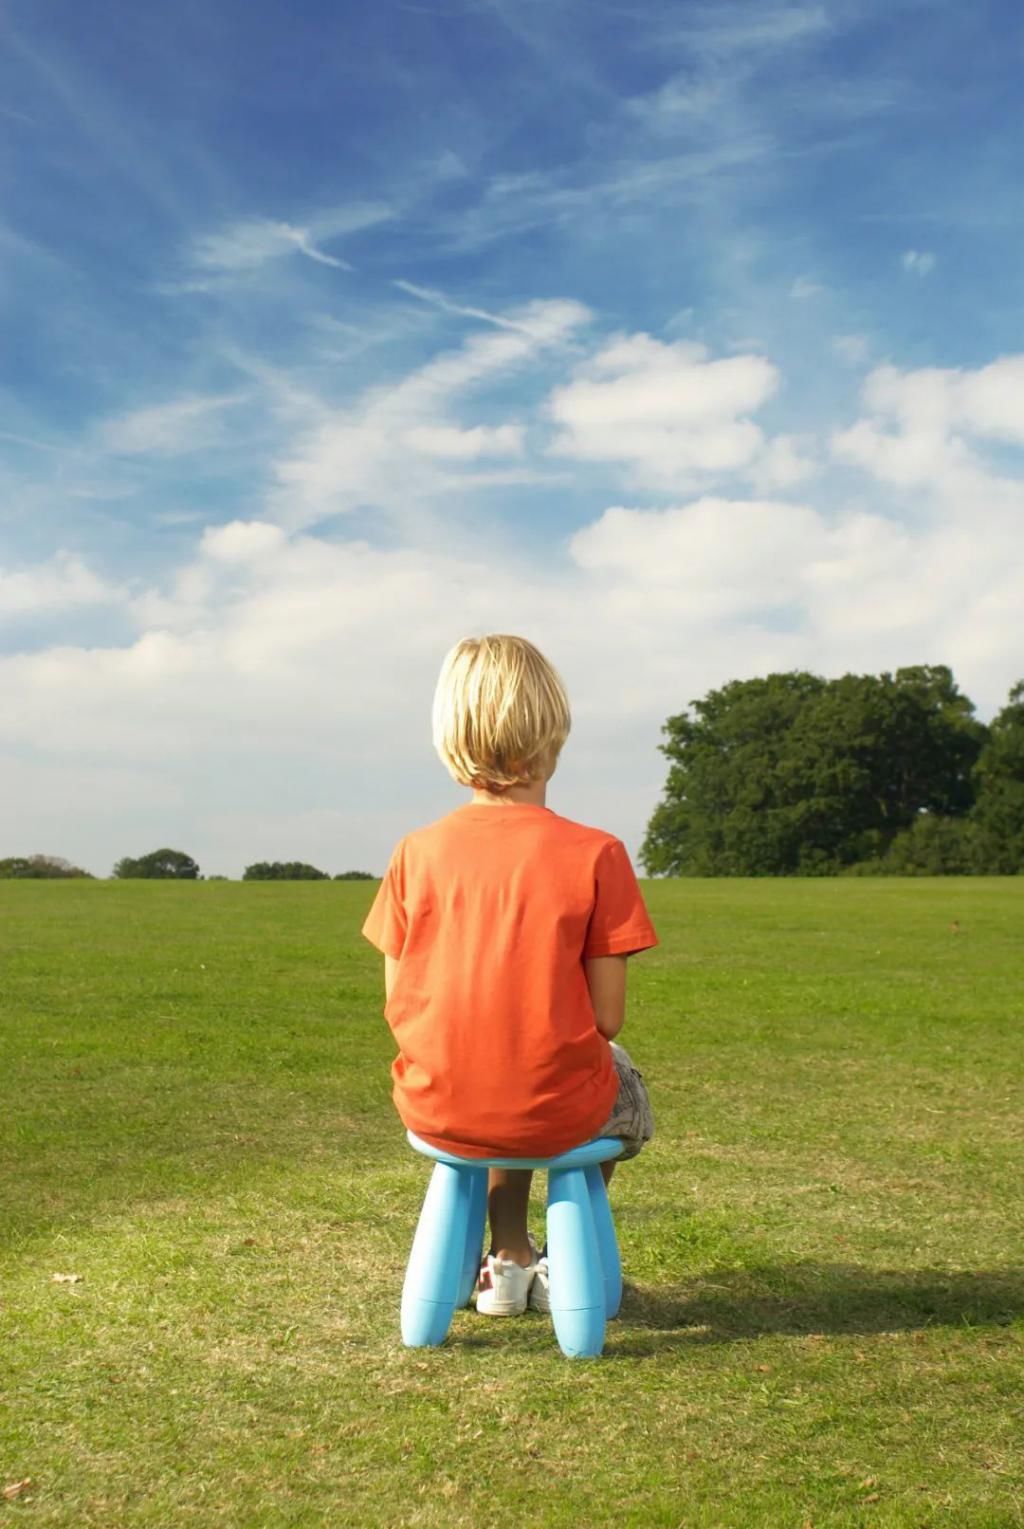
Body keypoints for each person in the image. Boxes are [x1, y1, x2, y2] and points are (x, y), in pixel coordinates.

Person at [362, 634, 657, 1318]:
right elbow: (606, 1017)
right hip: (553, 1104)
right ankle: (559, 1251)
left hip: (437, 1102)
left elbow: (399, 1001)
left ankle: (508, 1254)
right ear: (554, 730)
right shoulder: (596, 852)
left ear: (449, 737)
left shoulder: (415, 852)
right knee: (606, 1075)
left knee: (498, 1061)